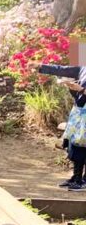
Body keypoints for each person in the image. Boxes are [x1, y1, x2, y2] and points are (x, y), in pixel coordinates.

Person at [34, 55, 86, 190]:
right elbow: (62, 70)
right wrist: (40, 66)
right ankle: (76, 177)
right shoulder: (82, 68)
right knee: (74, 145)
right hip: (80, 113)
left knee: (83, 147)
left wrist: (81, 89)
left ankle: (82, 181)